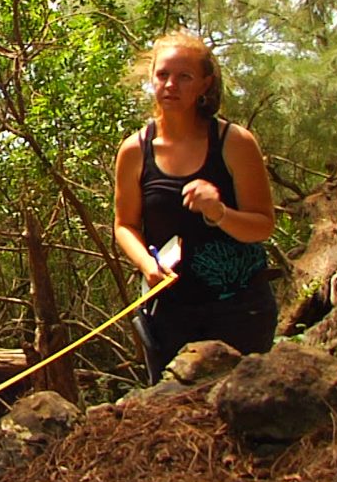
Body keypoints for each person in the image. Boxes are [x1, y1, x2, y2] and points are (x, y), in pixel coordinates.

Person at [113, 31, 278, 384]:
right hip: (170, 311)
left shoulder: (234, 142)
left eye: (184, 77)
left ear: (205, 84)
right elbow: (124, 225)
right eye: (163, 75)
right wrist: (147, 265)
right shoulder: (133, 150)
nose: (170, 84)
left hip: (239, 308)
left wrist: (218, 212)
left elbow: (262, 225)